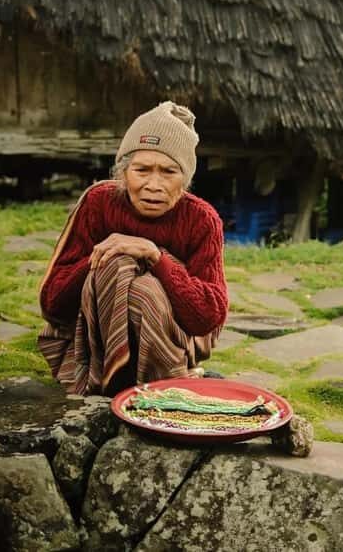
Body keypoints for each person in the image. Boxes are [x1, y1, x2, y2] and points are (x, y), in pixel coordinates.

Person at [38, 101, 228, 396]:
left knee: (145, 289)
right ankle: (120, 376)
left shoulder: (201, 219)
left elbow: (207, 316)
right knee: (117, 262)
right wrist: (104, 255)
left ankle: (157, 379)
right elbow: (53, 302)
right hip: (95, 338)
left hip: (176, 334)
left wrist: (156, 256)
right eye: (142, 170)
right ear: (123, 173)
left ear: (185, 180)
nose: (154, 184)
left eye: (169, 172)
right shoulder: (99, 203)